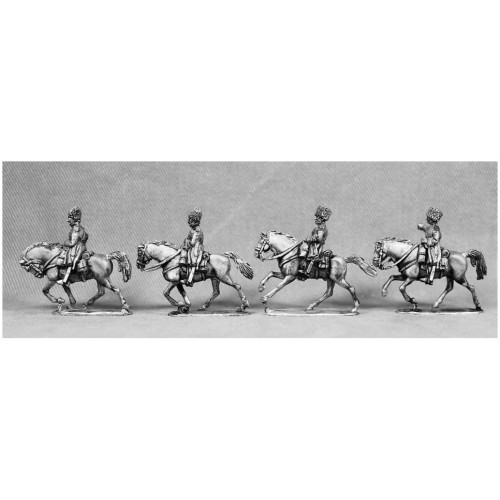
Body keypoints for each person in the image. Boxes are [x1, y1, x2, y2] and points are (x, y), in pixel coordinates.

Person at [57, 207, 88, 285]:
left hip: (78, 248)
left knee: (71, 260)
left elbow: (72, 243)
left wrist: (65, 242)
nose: (68, 221)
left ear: (74, 219)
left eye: (69, 219)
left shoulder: (76, 229)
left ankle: (65, 279)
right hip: (78, 247)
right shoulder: (77, 229)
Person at [298, 205, 332, 276]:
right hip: (313, 245)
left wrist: (310, 238)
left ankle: (305, 271)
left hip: (316, 247)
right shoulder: (318, 228)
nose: (315, 219)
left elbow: (319, 238)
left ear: (322, 219)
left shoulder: (321, 228)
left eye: (317, 217)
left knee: (305, 251)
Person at [417, 207, 443, 284]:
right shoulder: (429, 227)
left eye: (428, 218)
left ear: (432, 220)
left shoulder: (436, 229)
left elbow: (435, 240)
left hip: (433, 248)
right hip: (427, 246)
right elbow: (426, 228)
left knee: (432, 262)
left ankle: (430, 278)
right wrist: (421, 226)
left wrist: (426, 241)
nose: (426, 219)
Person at [179, 208, 204, 287]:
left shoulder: (197, 231)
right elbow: (189, 239)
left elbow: (193, 242)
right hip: (192, 246)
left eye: (190, 220)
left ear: (195, 221)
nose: (188, 222)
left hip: (197, 247)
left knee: (192, 258)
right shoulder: (192, 230)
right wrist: (186, 241)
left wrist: (187, 241)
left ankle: (190, 279)